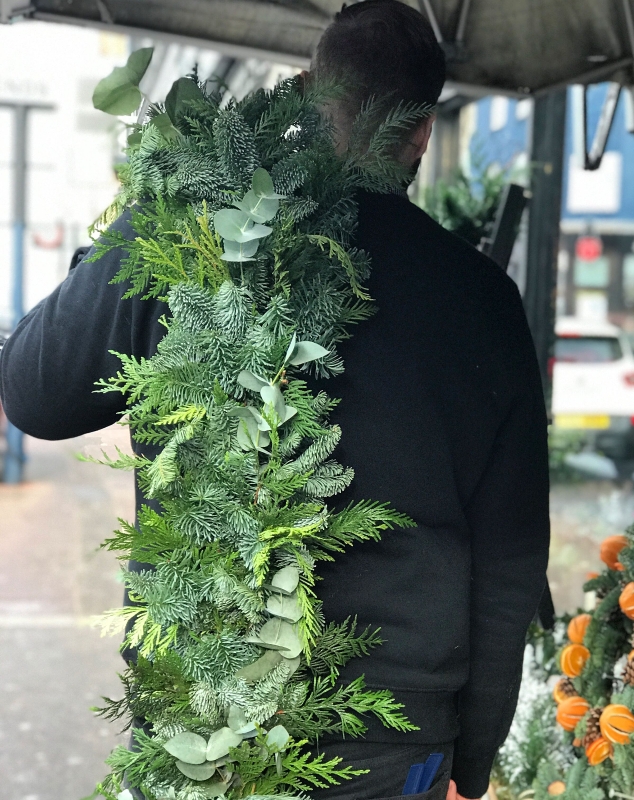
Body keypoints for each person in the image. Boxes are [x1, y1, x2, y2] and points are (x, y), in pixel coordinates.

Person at [0, 2, 550, 798]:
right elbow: (508, 566)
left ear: (298, 90)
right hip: (391, 745)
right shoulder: (483, 303)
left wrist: (140, 228)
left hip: (204, 725)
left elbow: (34, 394)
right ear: (422, 132)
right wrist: (473, 764)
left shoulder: (187, 242)